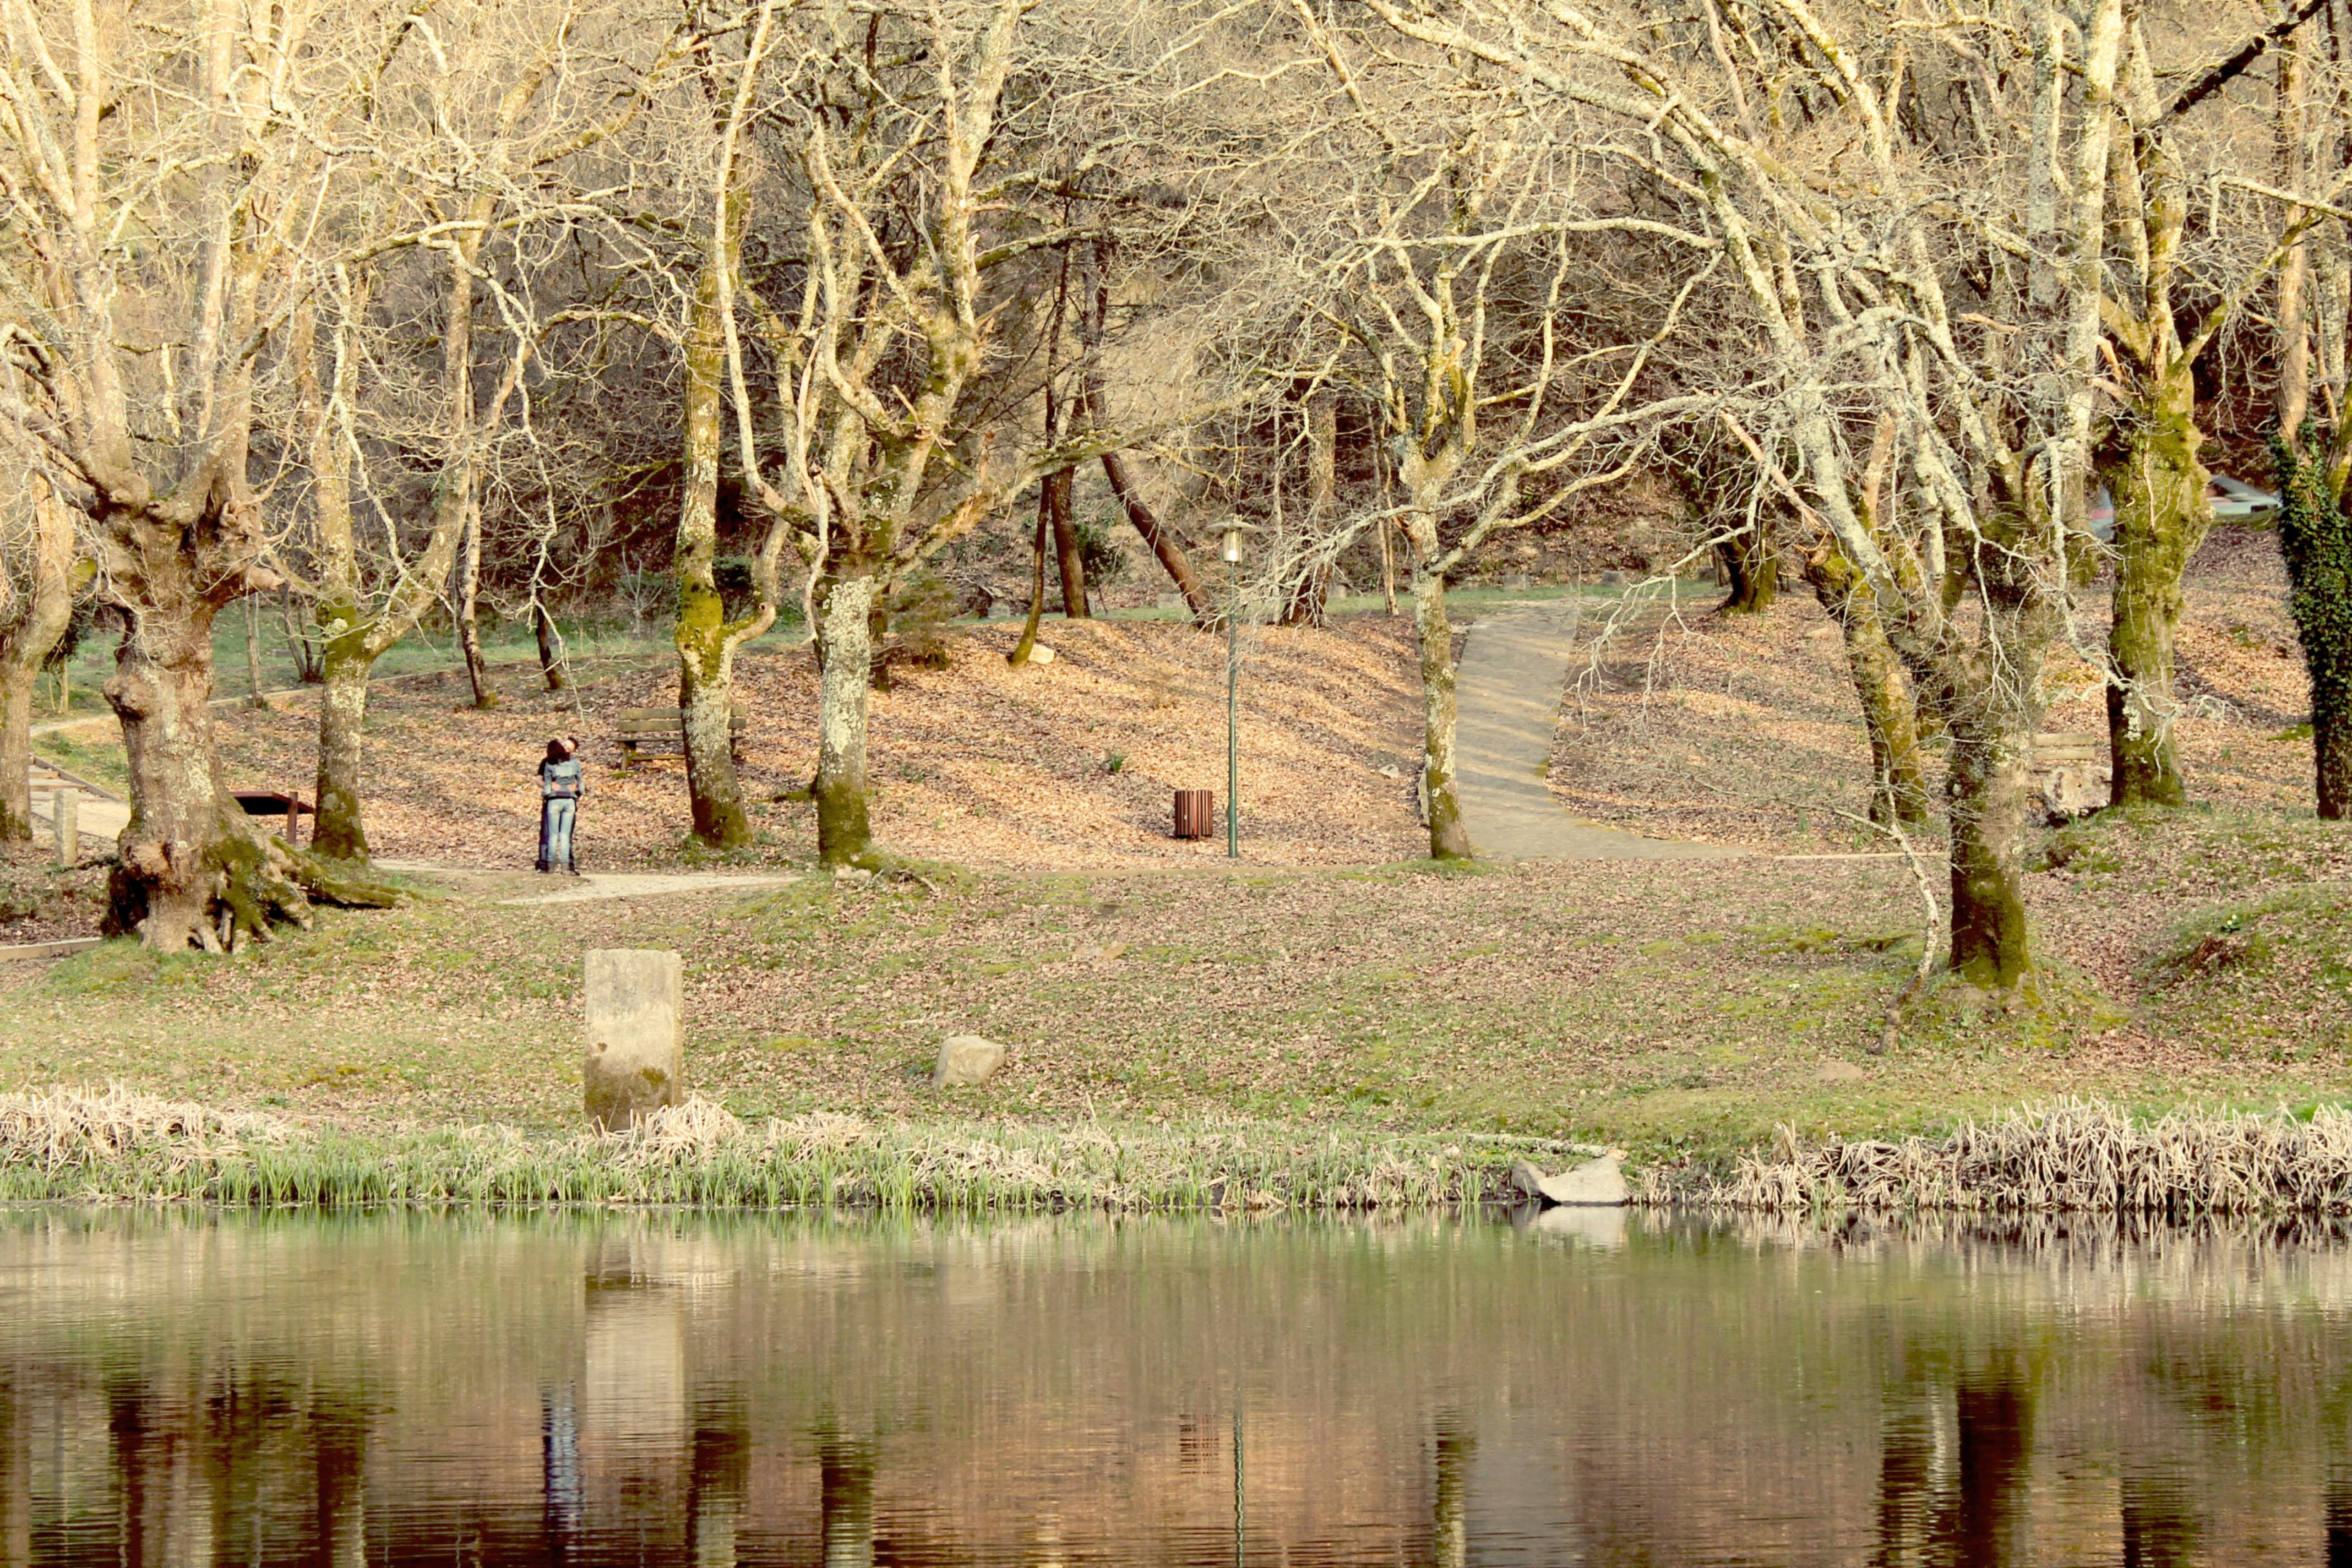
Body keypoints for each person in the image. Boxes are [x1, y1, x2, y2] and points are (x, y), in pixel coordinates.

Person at [538, 737, 586, 874]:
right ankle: (565, 867)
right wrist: (578, 792)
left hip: (554, 800)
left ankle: (550, 866)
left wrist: (548, 790)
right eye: (564, 745)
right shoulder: (574, 764)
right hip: (569, 800)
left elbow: (546, 787)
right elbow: (581, 782)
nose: (565, 748)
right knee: (564, 836)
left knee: (553, 836)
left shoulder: (550, 764)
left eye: (569, 748)